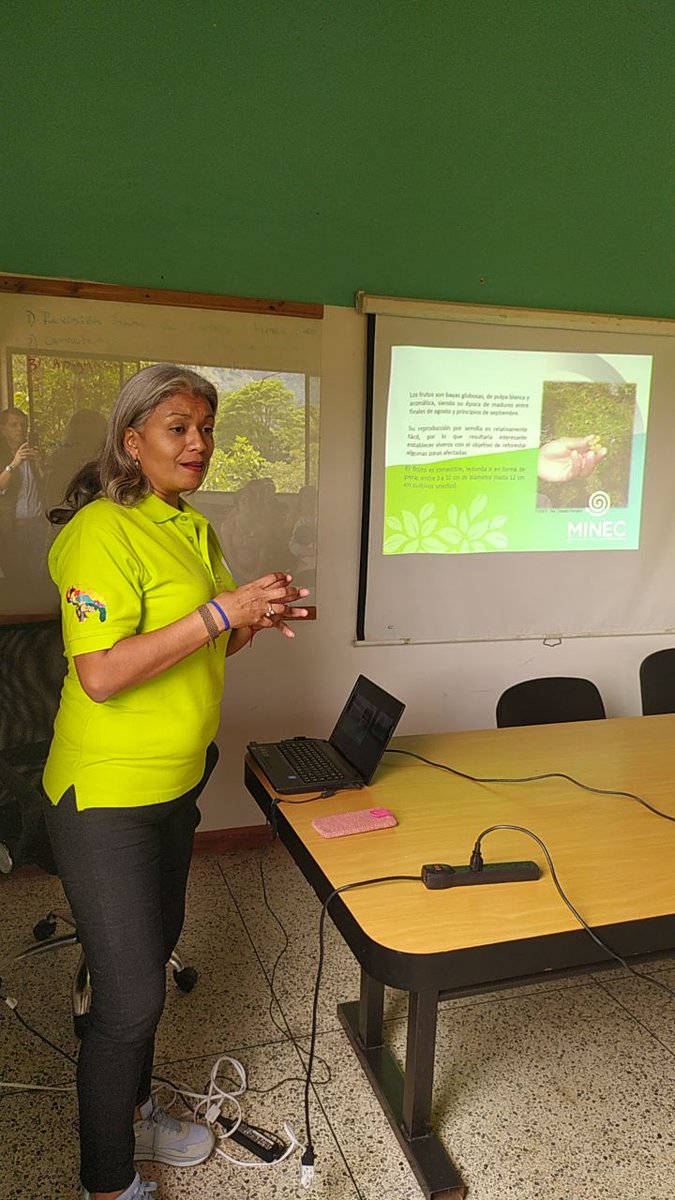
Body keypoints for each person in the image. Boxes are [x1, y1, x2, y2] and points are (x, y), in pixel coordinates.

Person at [42, 363, 309, 1200]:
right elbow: (101, 675)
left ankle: (133, 1112)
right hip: (105, 795)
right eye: (177, 428)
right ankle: (108, 1183)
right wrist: (220, 614)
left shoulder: (187, 526)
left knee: (146, 965)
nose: (198, 444)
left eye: (205, 428)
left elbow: (201, 641)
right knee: (127, 1000)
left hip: (172, 785)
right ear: (132, 441)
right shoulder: (99, 531)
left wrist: (249, 620)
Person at [0, 406, 46, 607]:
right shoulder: (3, 456)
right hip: (12, 528)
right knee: (15, 577)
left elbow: (47, 486)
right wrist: (14, 463)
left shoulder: (33, 453)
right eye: (14, 425)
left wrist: (39, 464)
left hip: (37, 524)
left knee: (36, 576)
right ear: (2, 429)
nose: (20, 430)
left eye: (23, 425)